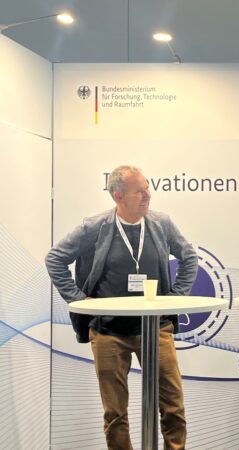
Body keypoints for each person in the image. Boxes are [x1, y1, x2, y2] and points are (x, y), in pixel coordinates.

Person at [46, 165, 197, 450]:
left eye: (147, 189)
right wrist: (77, 298)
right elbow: (55, 258)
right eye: (139, 191)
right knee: (115, 414)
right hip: (108, 332)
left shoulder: (161, 223)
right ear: (118, 195)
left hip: (156, 329)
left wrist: (176, 297)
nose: (147, 196)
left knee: (173, 408)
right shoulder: (93, 227)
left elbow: (189, 257)